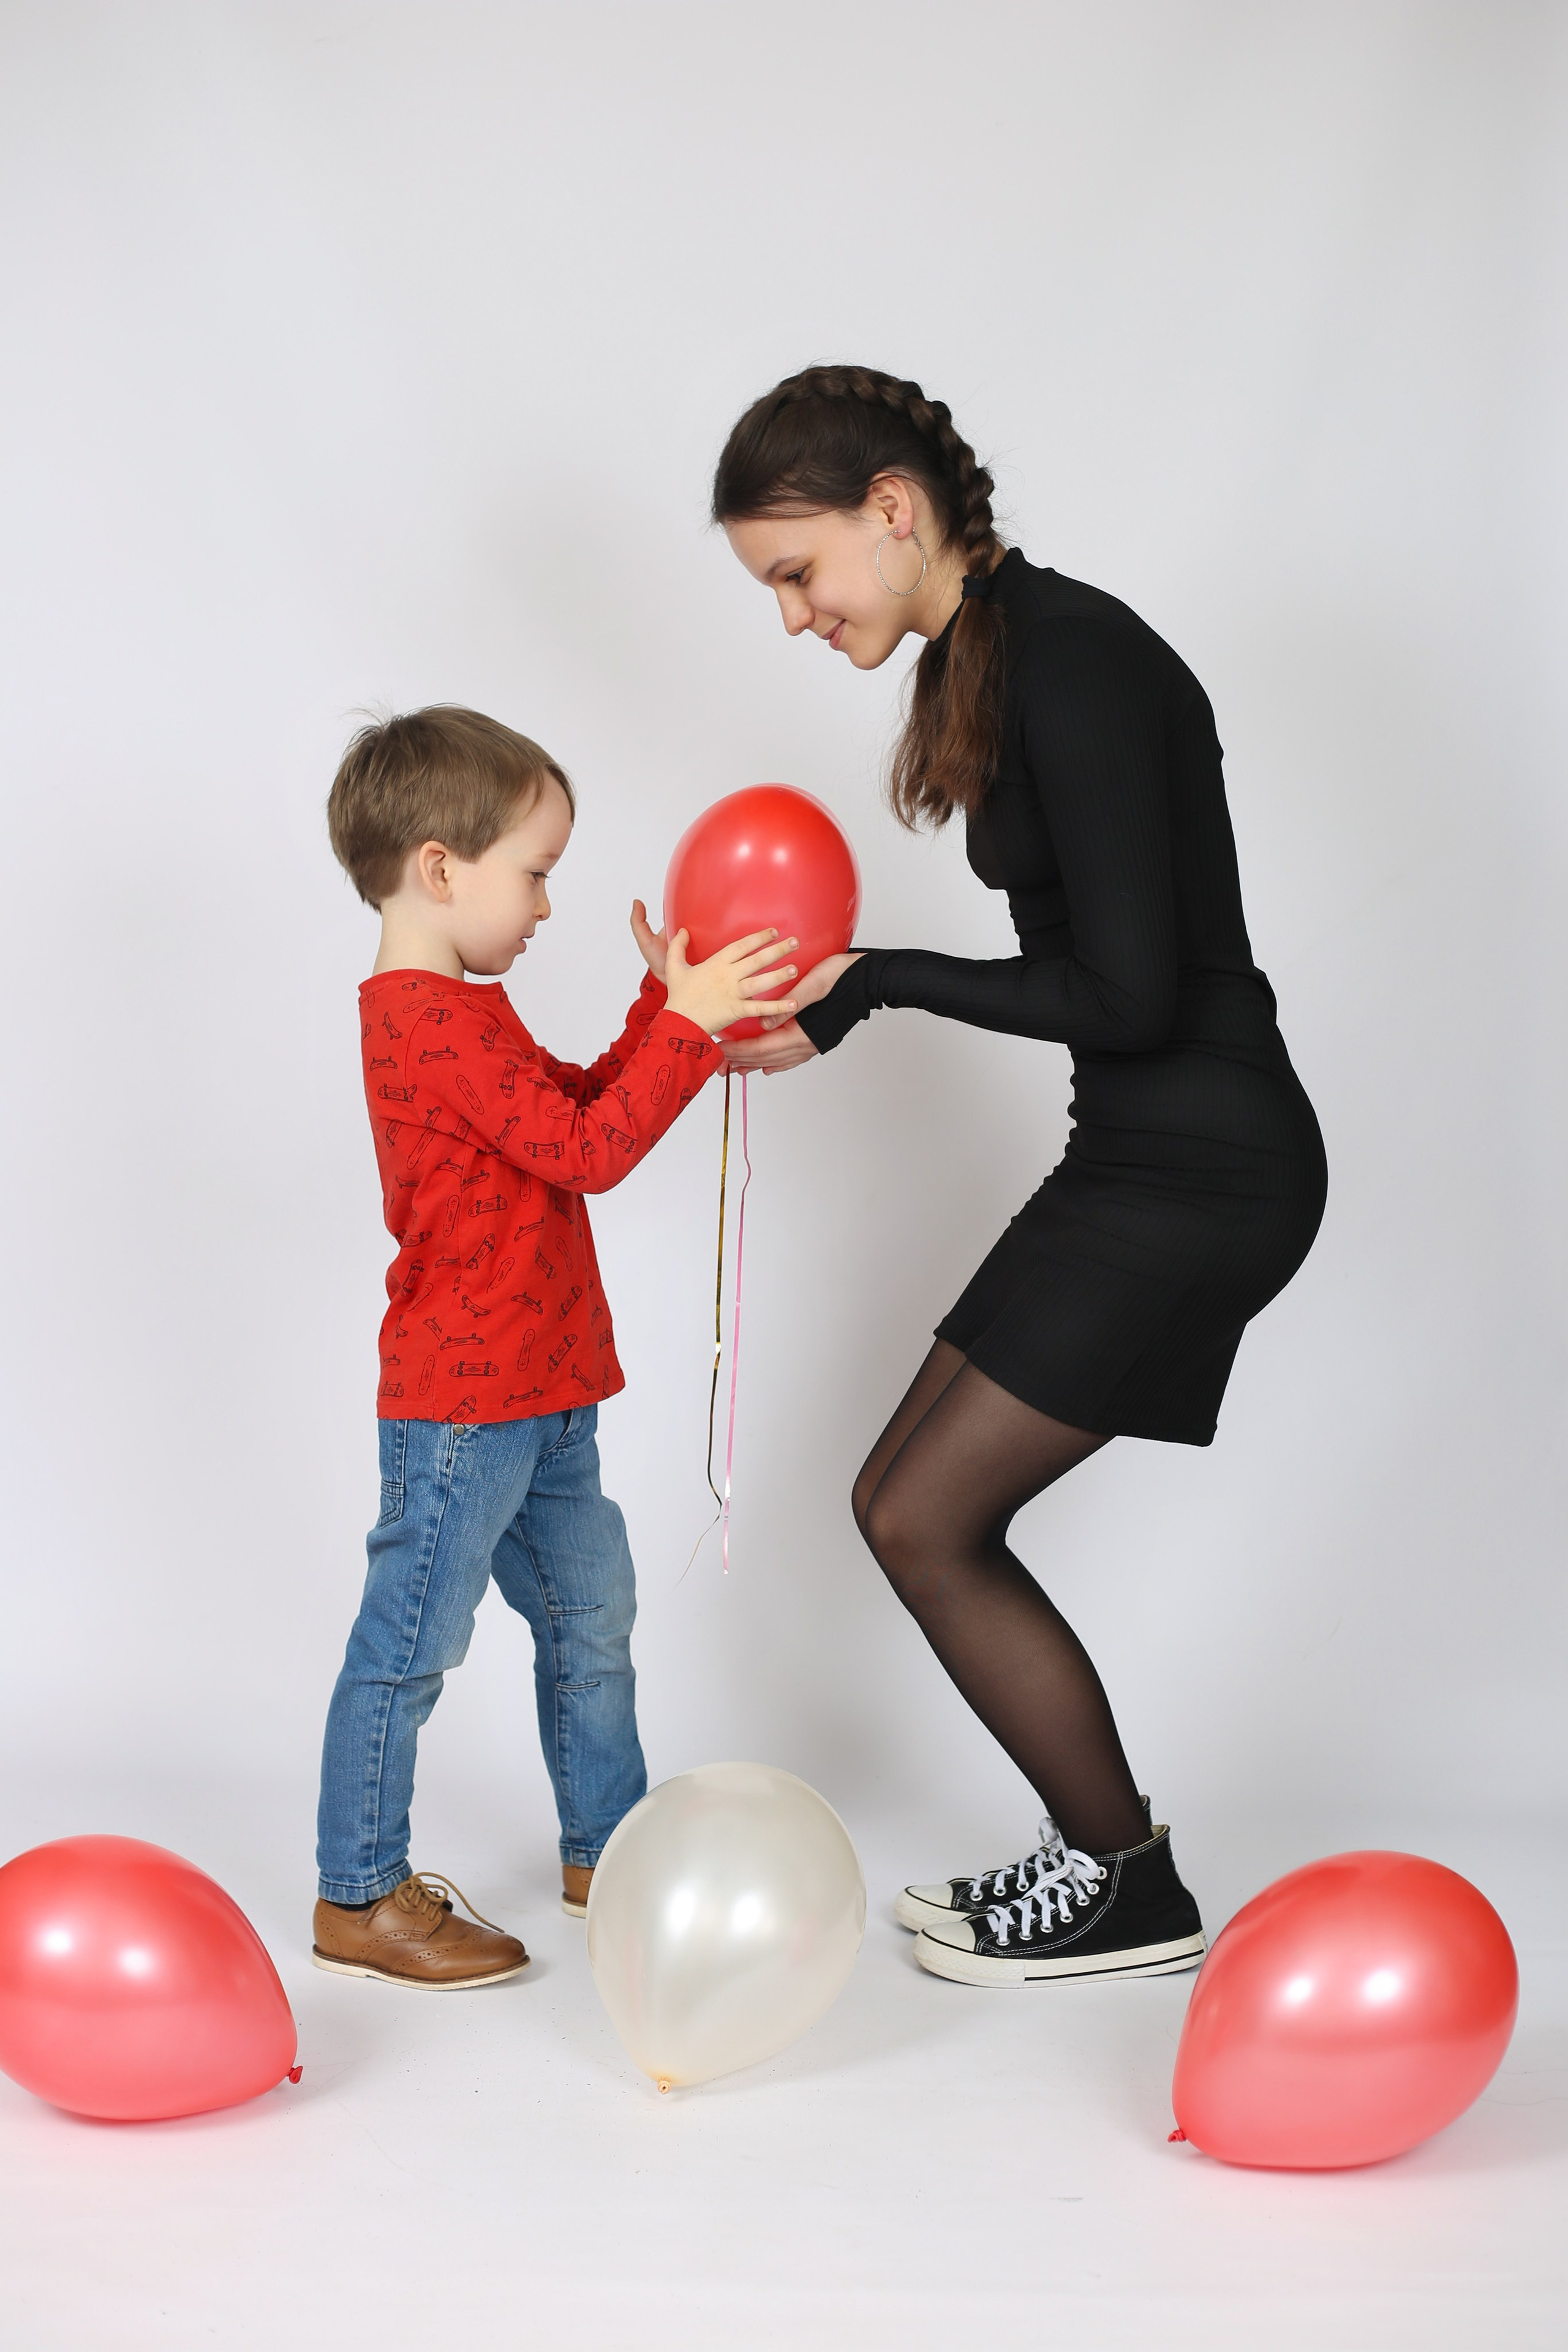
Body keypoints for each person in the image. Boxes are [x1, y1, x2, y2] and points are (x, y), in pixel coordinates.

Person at [715, 367, 1327, 1988]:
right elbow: (1098, 978)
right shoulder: (999, 655)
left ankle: (1124, 1880)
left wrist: (878, 980)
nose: (791, 616)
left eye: (797, 572)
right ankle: (1107, 1860)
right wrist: (838, 1008)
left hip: (1204, 1168)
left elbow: (1128, 997)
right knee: (894, 1505)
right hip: (1135, 1152)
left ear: (892, 512)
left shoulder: (1076, 659)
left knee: (927, 1519)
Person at [313, 706, 798, 1988]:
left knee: (592, 1618)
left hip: (548, 1395)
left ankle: (609, 1848)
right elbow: (590, 1153)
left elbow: (575, 1107)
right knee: (408, 1643)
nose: (541, 906)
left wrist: (662, 1000)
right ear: (438, 870)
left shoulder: (468, 1011)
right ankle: (357, 1891)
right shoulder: (419, 1019)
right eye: (532, 873)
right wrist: (689, 1022)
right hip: (465, 1413)